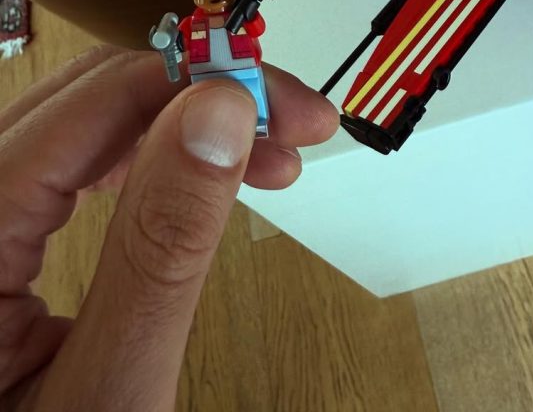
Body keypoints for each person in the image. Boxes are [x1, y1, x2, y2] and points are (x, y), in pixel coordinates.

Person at [0, 44, 339, 410]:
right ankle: (226, 118)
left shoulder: (227, 36)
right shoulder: (206, 37)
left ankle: (231, 116)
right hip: (214, 78)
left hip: (229, 76)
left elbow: (245, 36)